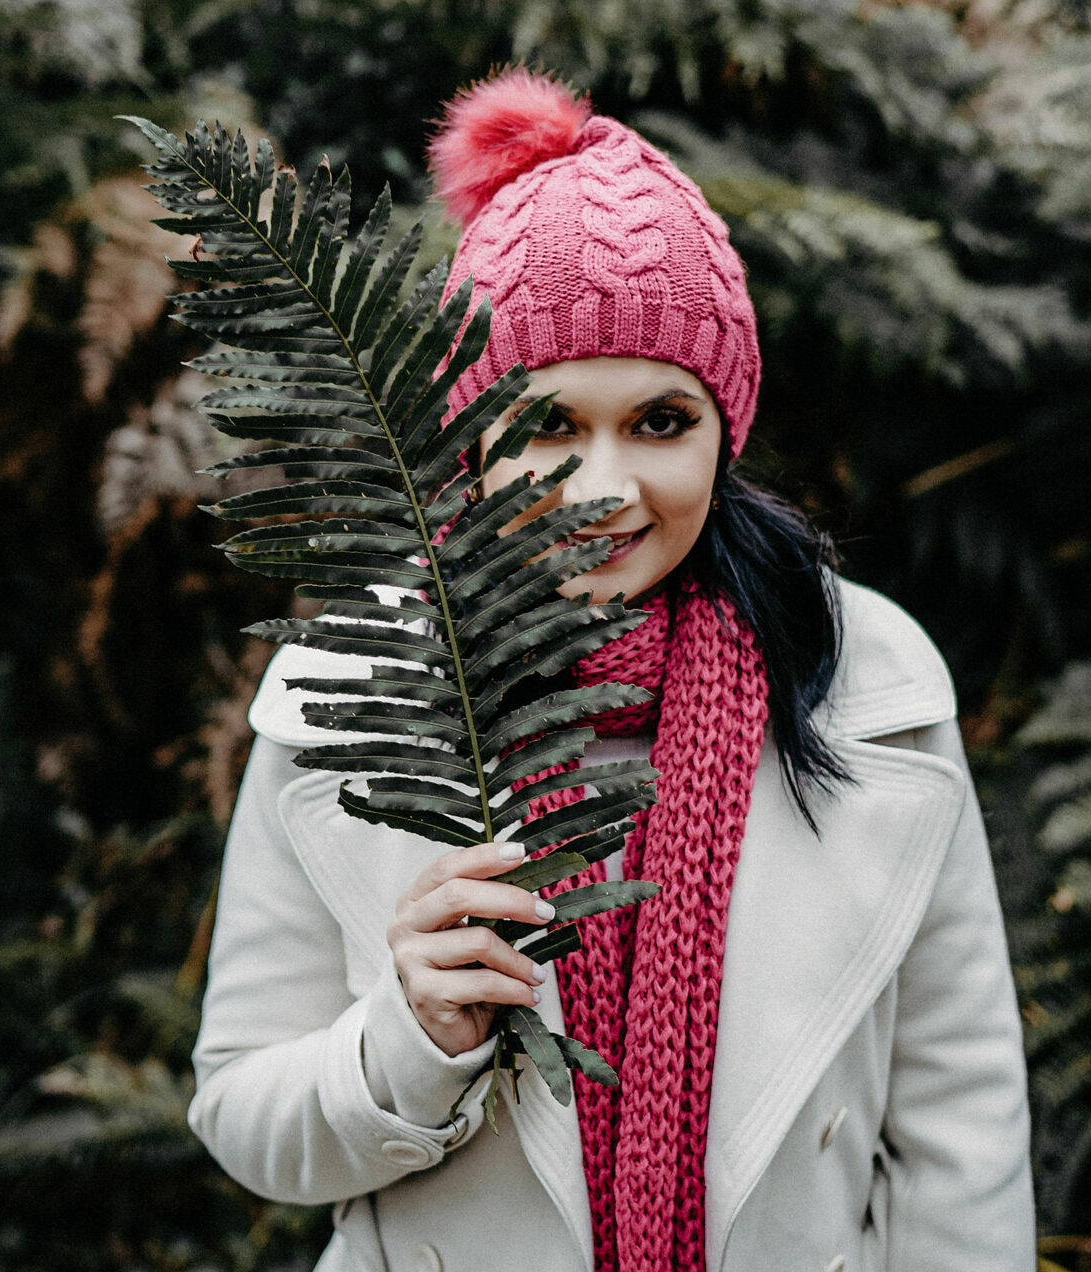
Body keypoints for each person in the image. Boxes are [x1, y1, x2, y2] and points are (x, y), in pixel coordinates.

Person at [186, 68, 1034, 1272]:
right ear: (468, 443)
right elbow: (245, 1121)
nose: (602, 489)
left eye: (659, 422)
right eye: (545, 425)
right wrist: (410, 1040)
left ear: (722, 429)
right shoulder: (352, 693)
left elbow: (962, 1135)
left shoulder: (867, 683)